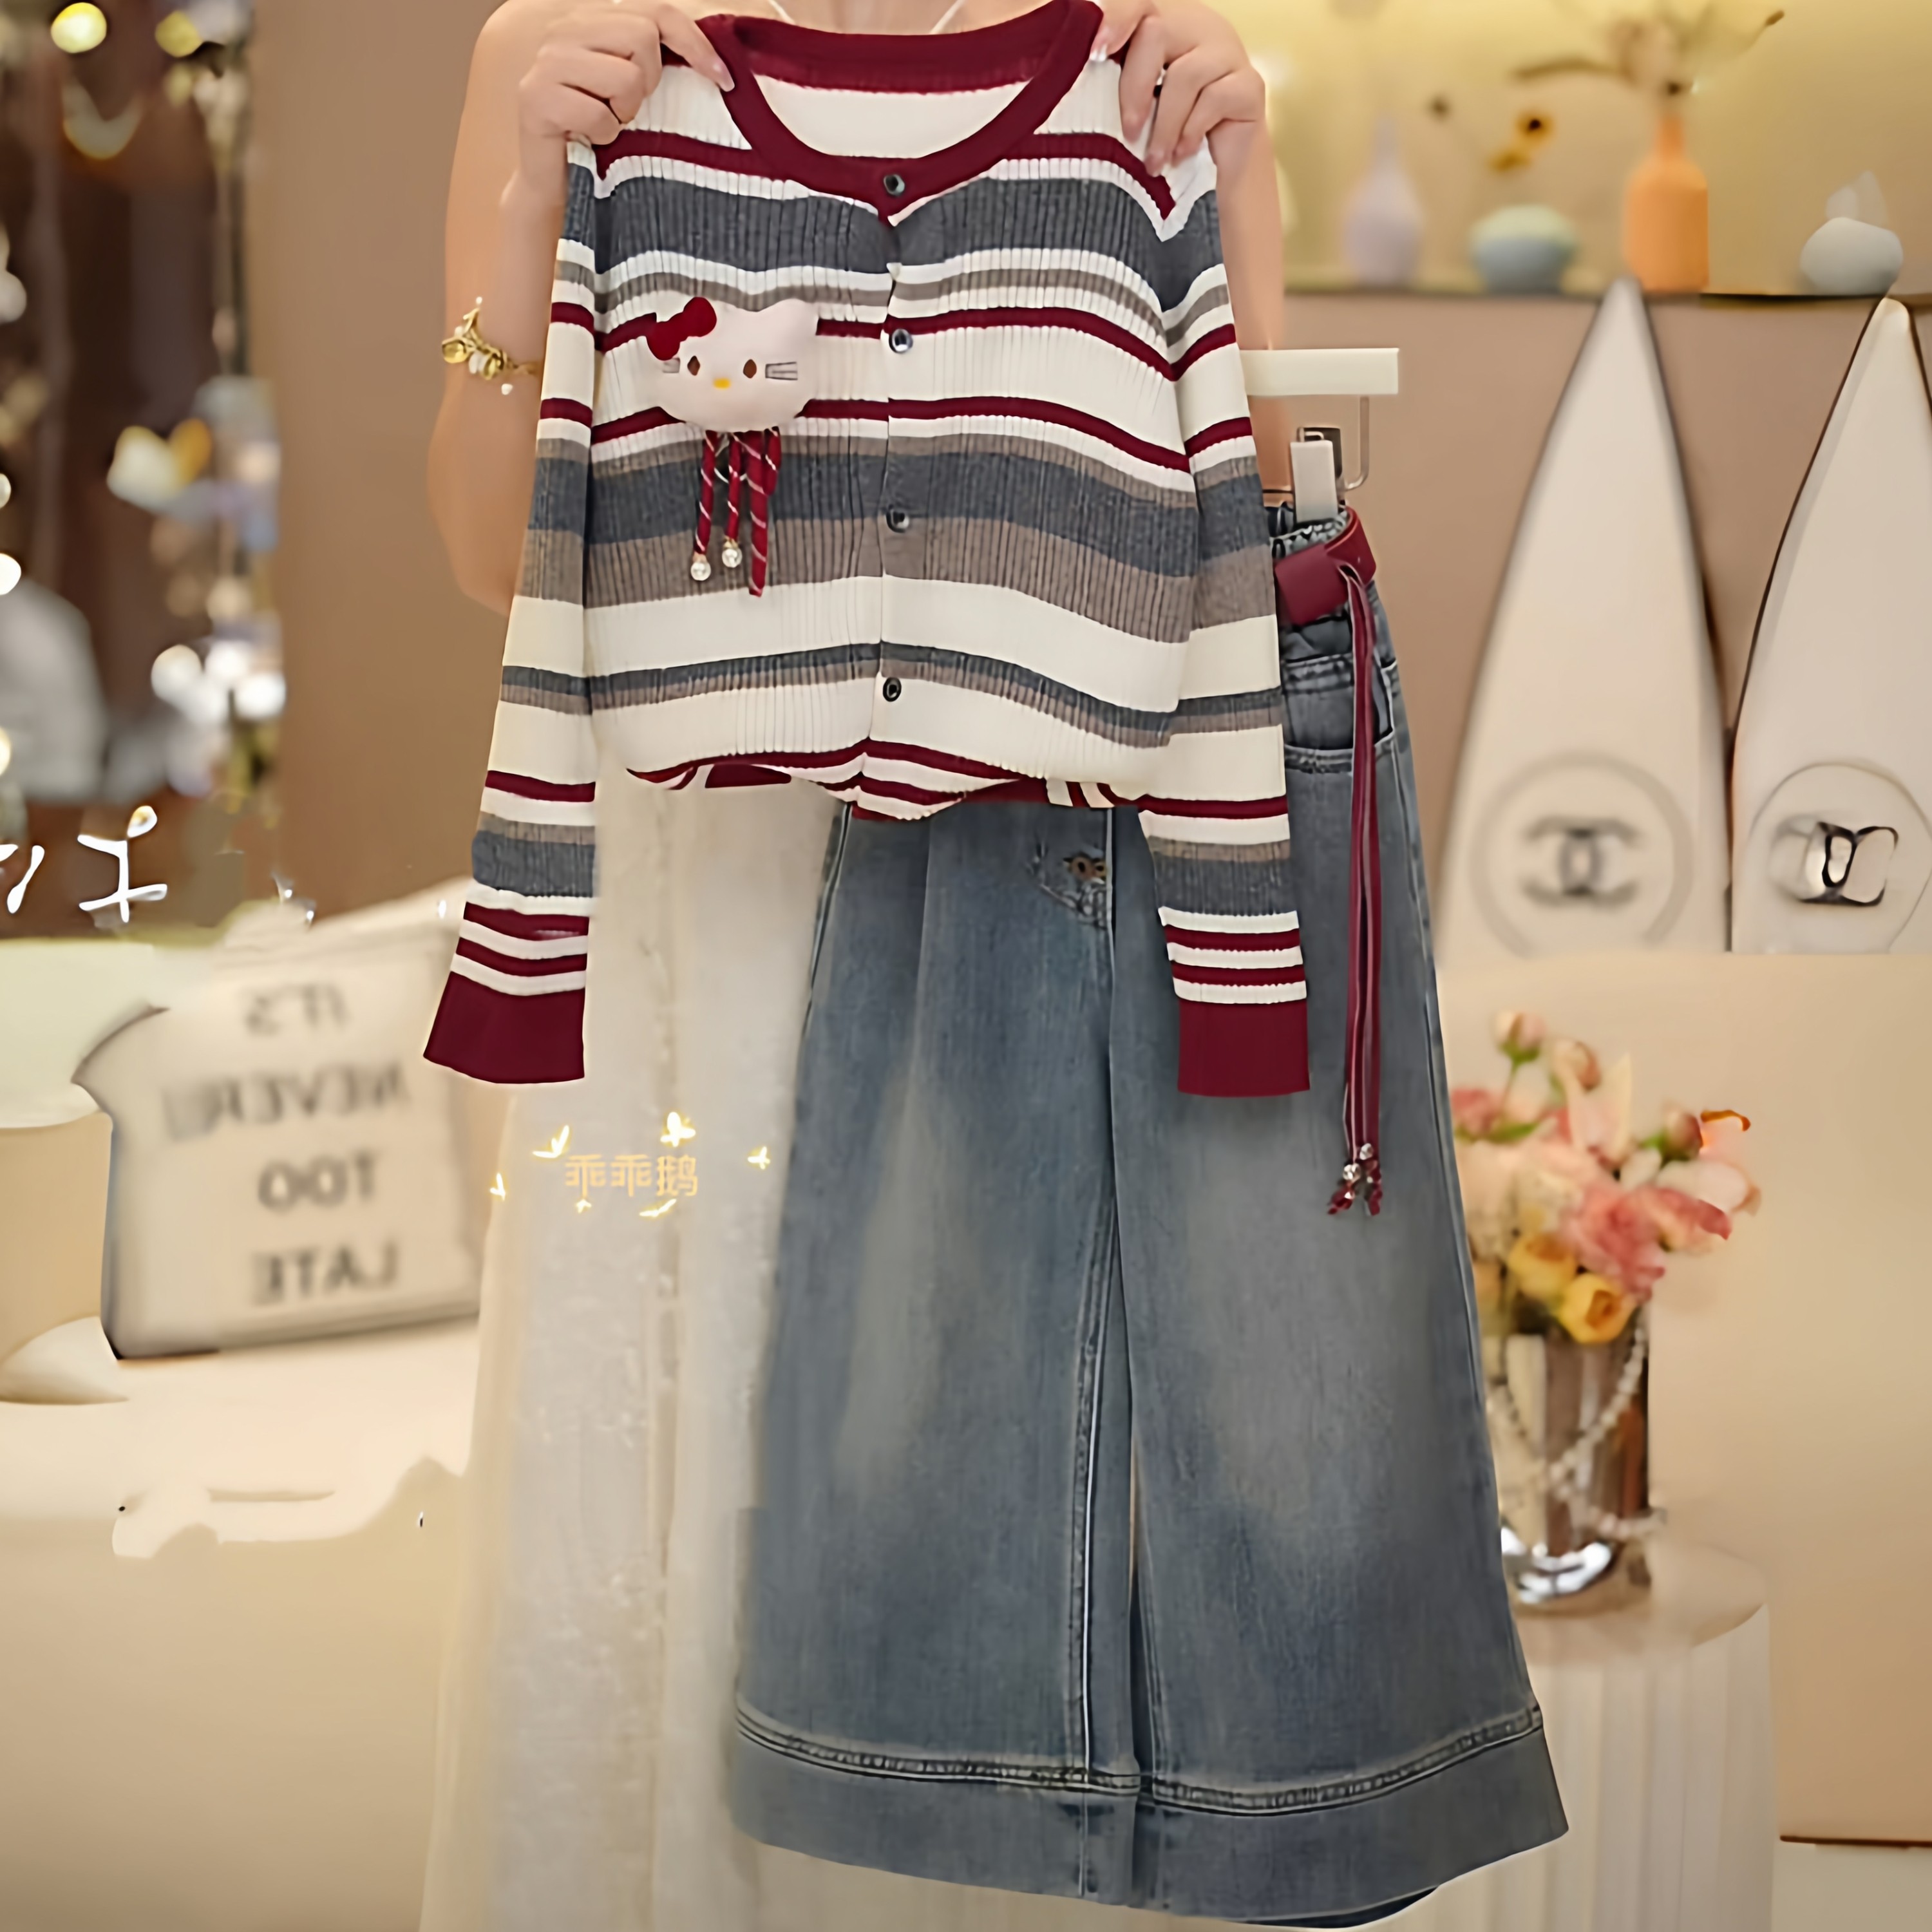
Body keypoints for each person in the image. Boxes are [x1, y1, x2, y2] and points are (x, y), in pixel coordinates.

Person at [429, 0, 1289, 612]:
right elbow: (493, 562)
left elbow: (1256, 536)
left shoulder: (1136, 51)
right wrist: (537, 204)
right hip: (692, 770)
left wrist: (1232, 175)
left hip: (1033, 788)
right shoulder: (564, 44)